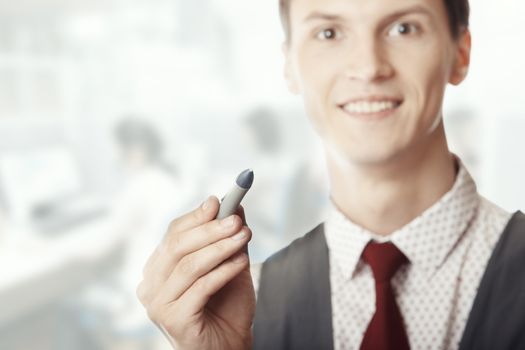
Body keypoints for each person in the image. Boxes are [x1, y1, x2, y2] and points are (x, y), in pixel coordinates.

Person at [136, 0, 525, 349]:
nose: (368, 67)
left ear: (460, 52)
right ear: (289, 65)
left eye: (404, 28)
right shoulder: (252, 305)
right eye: (329, 33)